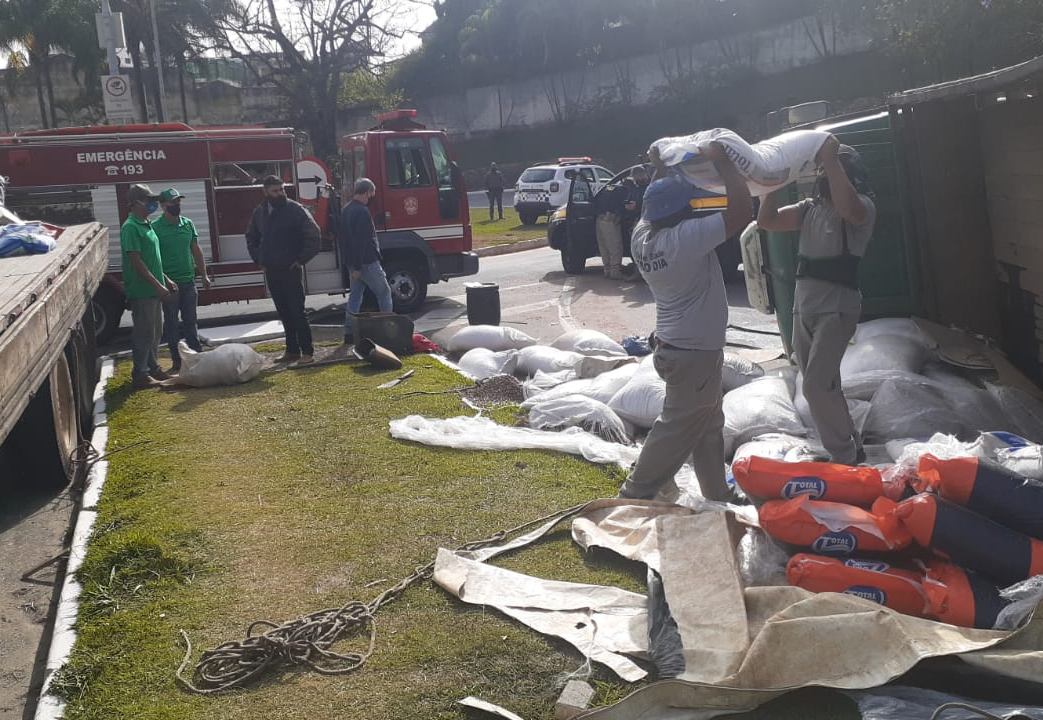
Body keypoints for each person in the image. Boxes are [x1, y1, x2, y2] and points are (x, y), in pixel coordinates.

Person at [617, 142, 753, 502]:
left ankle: (716, 492)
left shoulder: (641, 237)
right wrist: (723, 161)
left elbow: (656, 201)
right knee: (675, 426)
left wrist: (660, 166)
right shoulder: (685, 239)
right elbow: (741, 211)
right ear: (683, 211)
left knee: (708, 424)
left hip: (677, 348)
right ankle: (635, 492)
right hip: (693, 355)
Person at [757, 136, 876, 466]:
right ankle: (850, 443)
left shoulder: (862, 206)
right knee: (826, 385)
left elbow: (849, 208)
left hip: (837, 306)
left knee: (815, 387)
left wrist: (832, 160)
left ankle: (844, 457)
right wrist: (775, 182)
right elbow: (767, 221)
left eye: (831, 171)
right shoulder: (810, 209)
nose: (823, 177)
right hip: (805, 303)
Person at [246, 175, 321, 365]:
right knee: (284, 312)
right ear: (265, 192)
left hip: (290, 269)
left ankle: (307, 352)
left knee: (297, 312)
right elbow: (251, 237)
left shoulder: (295, 210)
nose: (280, 194)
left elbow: (314, 235)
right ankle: (292, 350)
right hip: (272, 270)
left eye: (282, 189)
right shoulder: (260, 212)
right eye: (275, 191)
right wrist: (259, 259)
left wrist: (300, 259)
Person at [121, 183, 177, 390]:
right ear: (137, 203)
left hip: (154, 288)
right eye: (149, 200)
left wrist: (166, 280)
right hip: (143, 289)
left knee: (155, 331)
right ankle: (140, 373)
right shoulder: (131, 227)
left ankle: (153, 368)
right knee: (144, 332)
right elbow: (137, 262)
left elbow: (153, 259)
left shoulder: (146, 224)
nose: (154, 204)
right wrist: (157, 285)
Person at [152, 187, 210, 374]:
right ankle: (177, 361)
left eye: (179, 202)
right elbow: (154, 259)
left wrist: (204, 274)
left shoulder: (187, 224)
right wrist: (166, 280)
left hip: (188, 281)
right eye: (173, 202)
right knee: (171, 323)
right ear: (163, 206)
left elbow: (196, 249)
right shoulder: (155, 228)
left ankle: (197, 356)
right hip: (170, 285)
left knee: (190, 321)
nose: (177, 205)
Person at [338, 178, 393, 344]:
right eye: (372, 193)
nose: (372, 196)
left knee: (355, 297)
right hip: (366, 262)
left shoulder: (346, 209)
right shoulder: (362, 212)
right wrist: (358, 267)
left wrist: (352, 266)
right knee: (384, 293)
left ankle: (349, 332)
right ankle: (387, 328)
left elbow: (345, 239)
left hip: (352, 263)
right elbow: (362, 241)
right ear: (368, 191)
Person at [594, 178, 631, 280]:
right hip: (610, 220)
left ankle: (607, 270)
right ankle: (615, 272)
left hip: (600, 219)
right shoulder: (623, 191)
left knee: (604, 247)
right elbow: (625, 206)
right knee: (615, 247)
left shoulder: (609, 187)